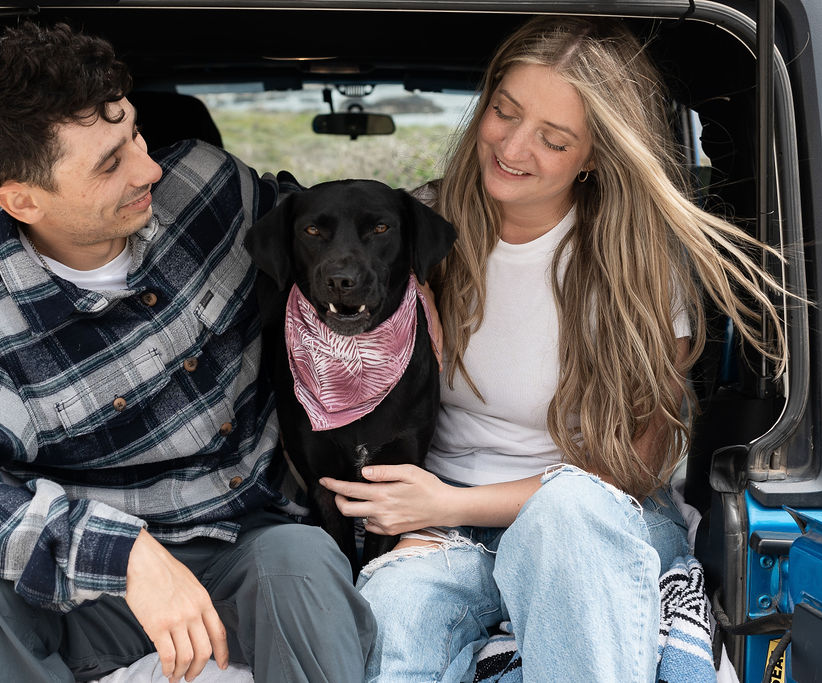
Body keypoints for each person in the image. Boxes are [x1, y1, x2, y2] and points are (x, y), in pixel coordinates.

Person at [0, 22, 374, 683]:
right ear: (23, 198)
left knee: (300, 558)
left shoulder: (208, 189)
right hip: (92, 584)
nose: (149, 167)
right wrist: (122, 551)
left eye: (133, 132)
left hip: (253, 547)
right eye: (110, 162)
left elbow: (329, 233)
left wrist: (422, 284)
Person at [320, 15, 787, 682]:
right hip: (446, 527)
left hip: (594, 519)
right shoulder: (415, 231)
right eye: (504, 112)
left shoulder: (640, 264)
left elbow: (633, 464)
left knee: (563, 515)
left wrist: (447, 504)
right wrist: (390, 311)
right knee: (395, 603)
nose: (512, 147)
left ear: (596, 155)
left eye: (554, 139)